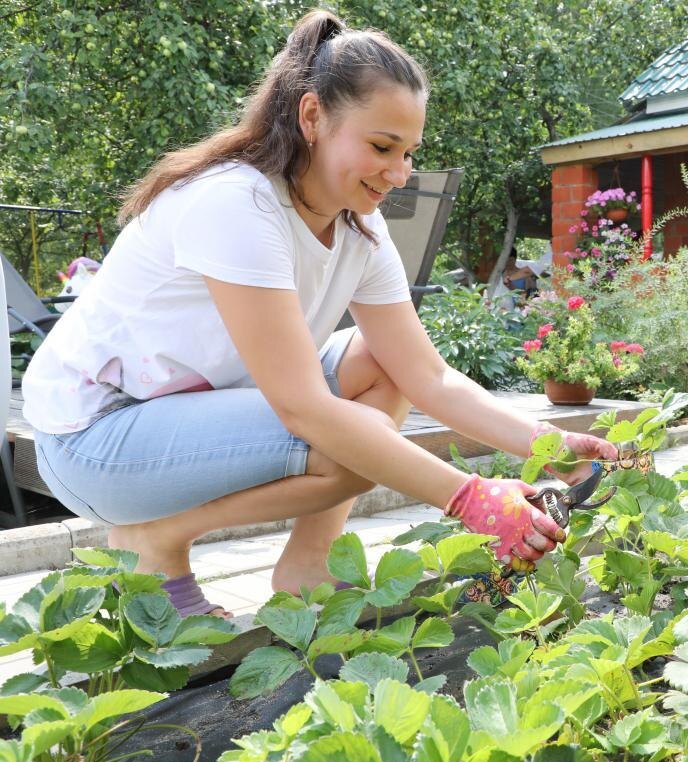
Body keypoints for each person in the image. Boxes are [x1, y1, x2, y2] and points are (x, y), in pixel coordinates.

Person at [22, 10, 616, 618]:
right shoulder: (237, 204)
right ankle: (157, 540)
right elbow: (302, 407)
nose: (399, 172)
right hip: (96, 438)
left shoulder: (362, 229)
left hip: (196, 415)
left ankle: (310, 566)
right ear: (312, 117)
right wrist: (470, 499)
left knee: (379, 374)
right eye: (382, 147)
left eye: (409, 152)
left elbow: (426, 376)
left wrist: (553, 444)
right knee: (350, 443)